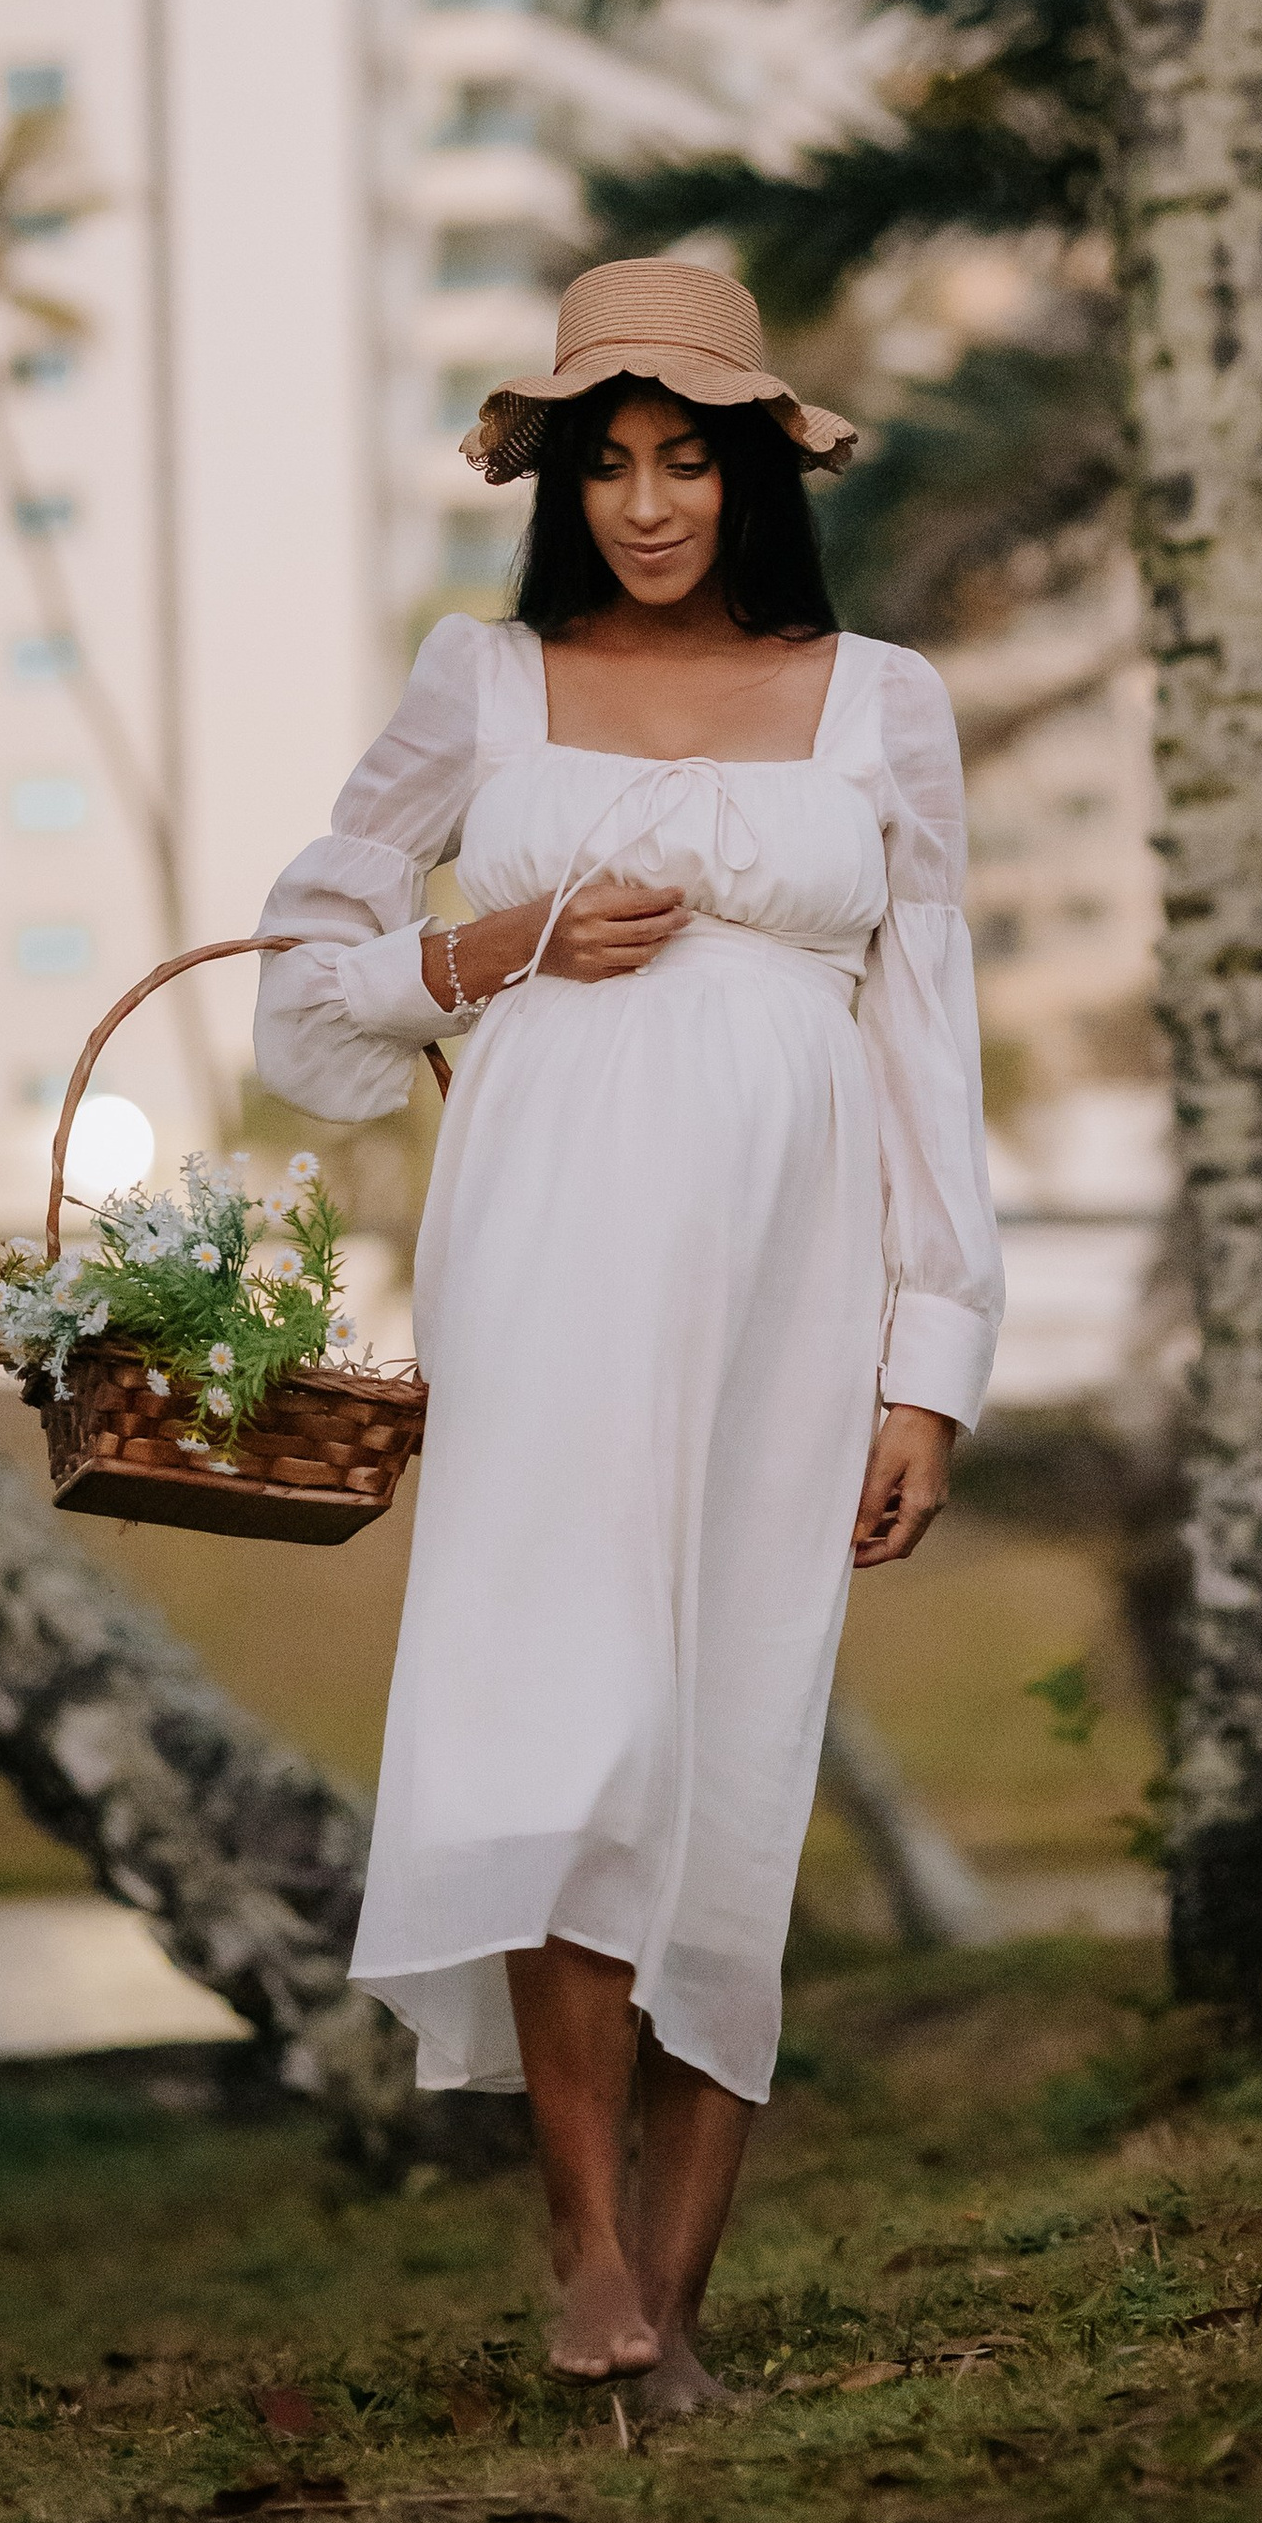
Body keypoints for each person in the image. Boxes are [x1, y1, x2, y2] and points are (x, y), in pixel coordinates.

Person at [254, 258, 1003, 2413]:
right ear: (557, 478)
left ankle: (671, 2317)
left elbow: (922, 1046)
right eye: (609, 462)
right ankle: (580, 2247)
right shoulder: (482, 681)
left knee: (729, 1745)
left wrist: (924, 1365)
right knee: (559, 1724)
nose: (649, 504)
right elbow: (308, 958)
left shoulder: (880, 701)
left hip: (797, 1266)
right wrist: (489, 945)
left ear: (755, 466)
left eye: (689, 459)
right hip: (546, 1240)